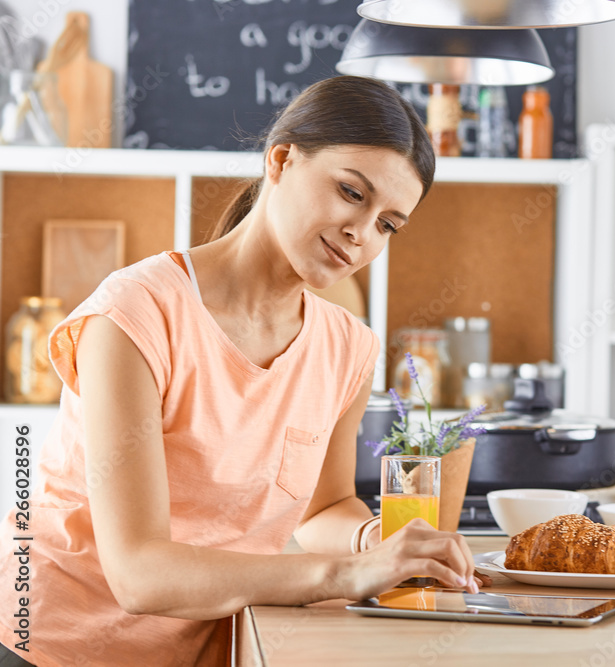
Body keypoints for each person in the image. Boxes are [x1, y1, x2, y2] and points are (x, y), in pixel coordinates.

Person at [0, 75, 480, 667]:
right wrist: (349, 571)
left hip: (210, 651)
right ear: (281, 159)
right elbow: (140, 574)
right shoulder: (134, 315)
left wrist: (380, 542)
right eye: (352, 193)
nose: (362, 234)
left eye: (388, 224)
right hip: (53, 646)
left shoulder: (348, 348)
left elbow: (325, 508)